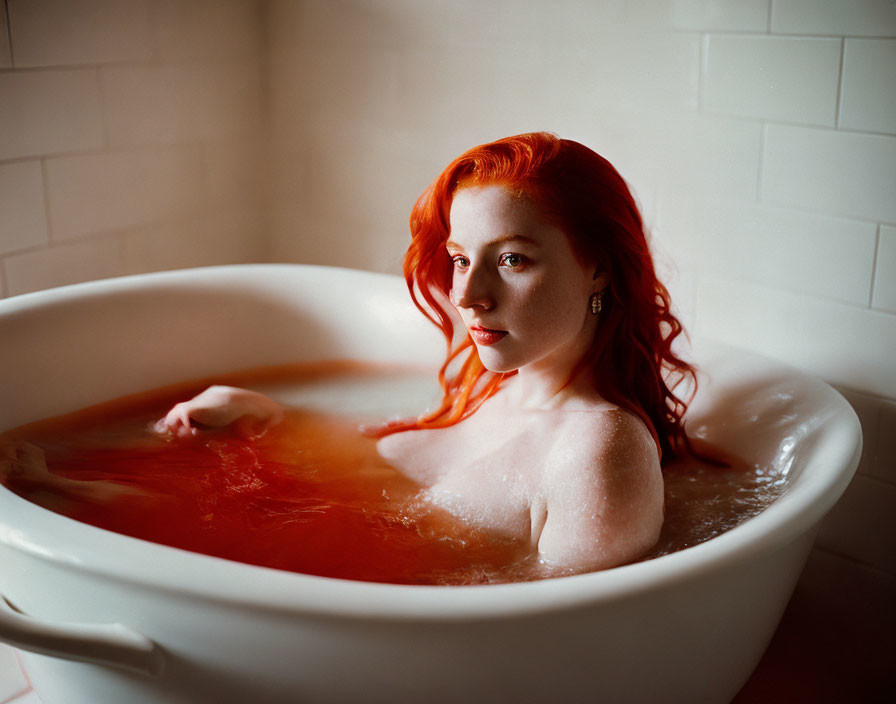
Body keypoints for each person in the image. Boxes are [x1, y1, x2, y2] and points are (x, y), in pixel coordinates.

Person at [155, 132, 700, 572]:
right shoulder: (499, 387)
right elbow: (384, 462)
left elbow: (561, 641)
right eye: (462, 259)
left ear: (598, 269)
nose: (466, 295)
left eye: (512, 260)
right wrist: (271, 415)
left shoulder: (601, 448)